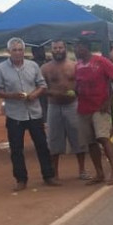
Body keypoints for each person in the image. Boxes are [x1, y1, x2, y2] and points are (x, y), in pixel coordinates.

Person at [0, 37, 59, 190]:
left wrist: (35, 94)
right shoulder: (0, 69)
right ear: (9, 51)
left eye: (20, 49)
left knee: (42, 145)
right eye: (14, 50)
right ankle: (21, 180)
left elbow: (42, 85)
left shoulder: (33, 66)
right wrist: (11, 96)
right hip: (15, 114)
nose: (17, 53)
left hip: (34, 112)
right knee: (16, 149)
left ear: (24, 51)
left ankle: (48, 176)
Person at [73, 35, 113, 185]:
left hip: (99, 107)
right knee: (90, 142)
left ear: (85, 47)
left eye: (78, 47)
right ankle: (99, 173)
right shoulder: (78, 65)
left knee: (103, 138)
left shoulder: (101, 61)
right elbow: (77, 84)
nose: (76, 50)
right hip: (83, 108)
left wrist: (109, 99)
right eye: (75, 47)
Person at [41, 39, 89, 180]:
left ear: (65, 48)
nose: (58, 50)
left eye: (60, 47)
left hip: (72, 105)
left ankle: (82, 170)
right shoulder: (45, 68)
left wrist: (75, 91)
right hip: (54, 106)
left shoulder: (75, 66)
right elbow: (41, 88)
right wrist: (54, 93)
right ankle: (55, 173)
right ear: (51, 50)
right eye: (55, 48)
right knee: (54, 140)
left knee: (78, 138)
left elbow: (81, 84)